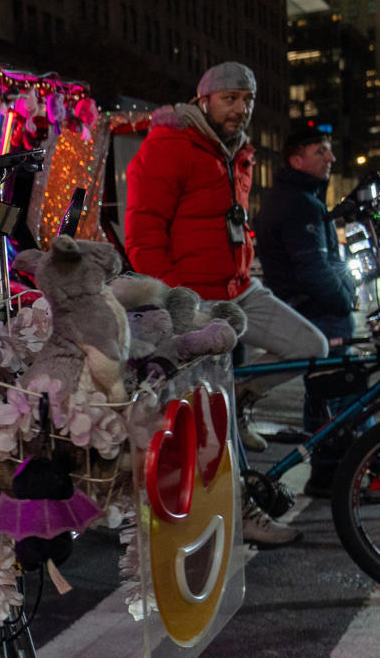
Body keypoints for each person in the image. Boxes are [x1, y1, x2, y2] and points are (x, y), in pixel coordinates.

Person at [124, 61, 326, 545]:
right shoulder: (169, 147)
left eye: (247, 100)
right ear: (204, 100)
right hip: (193, 299)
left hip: (239, 289)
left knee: (310, 344)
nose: (240, 108)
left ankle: (245, 397)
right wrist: (178, 302)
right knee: (216, 421)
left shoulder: (236, 153)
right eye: (230, 98)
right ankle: (241, 512)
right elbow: (143, 236)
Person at [253, 132, 354, 496]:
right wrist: (344, 300)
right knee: (339, 394)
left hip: (308, 310)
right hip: (319, 314)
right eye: (319, 152)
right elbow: (314, 270)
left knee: (323, 394)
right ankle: (338, 474)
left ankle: (329, 475)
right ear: (296, 161)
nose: (330, 158)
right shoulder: (300, 205)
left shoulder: (296, 199)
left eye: (329, 150)